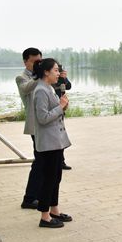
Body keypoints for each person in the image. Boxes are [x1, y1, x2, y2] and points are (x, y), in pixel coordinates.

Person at [32, 58, 73, 228]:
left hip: (56, 141)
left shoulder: (49, 87)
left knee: (56, 177)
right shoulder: (41, 90)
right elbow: (43, 118)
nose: (58, 73)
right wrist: (60, 107)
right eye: (55, 70)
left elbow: (54, 111)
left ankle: (54, 210)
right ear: (46, 72)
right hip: (48, 143)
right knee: (49, 179)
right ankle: (44, 216)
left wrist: (62, 106)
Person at [16, 47, 43, 209]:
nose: (37, 64)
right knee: (39, 161)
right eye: (34, 62)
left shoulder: (42, 76)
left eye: (39, 61)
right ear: (25, 62)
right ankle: (29, 198)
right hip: (35, 125)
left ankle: (38, 195)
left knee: (43, 161)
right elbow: (26, 88)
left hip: (46, 123)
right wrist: (40, 76)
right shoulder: (21, 77)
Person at [52, 64, 73, 171]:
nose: (57, 73)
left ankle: (61, 161)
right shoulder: (50, 81)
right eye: (55, 70)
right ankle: (56, 162)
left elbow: (68, 86)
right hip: (53, 108)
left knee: (61, 136)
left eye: (58, 71)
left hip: (61, 109)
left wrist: (64, 78)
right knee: (55, 137)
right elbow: (54, 86)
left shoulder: (61, 78)